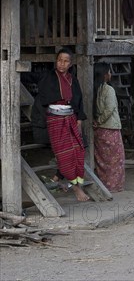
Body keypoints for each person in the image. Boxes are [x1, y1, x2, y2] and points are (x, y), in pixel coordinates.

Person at [31, 48, 89, 201]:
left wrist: (79, 118)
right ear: (56, 61)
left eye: (66, 61)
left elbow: (79, 99)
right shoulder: (47, 77)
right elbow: (28, 77)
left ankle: (57, 180)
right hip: (54, 120)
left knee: (79, 151)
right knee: (66, 154)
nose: (62, 64)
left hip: (70, 118)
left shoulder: (72, 79)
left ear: (70, 63)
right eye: (59, 60)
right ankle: (77, 190)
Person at [92, 63, 126, 193]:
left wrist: (97, 122)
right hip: (110, 128)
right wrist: (100, 121)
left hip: (99, 130)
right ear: (105, 74)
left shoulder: (95, 89)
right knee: (115, 160)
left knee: (102, 159)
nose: (111, 74)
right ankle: (114, 186)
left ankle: (104, 184)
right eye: (110, 72)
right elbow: (110, 109)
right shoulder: (108, 90)